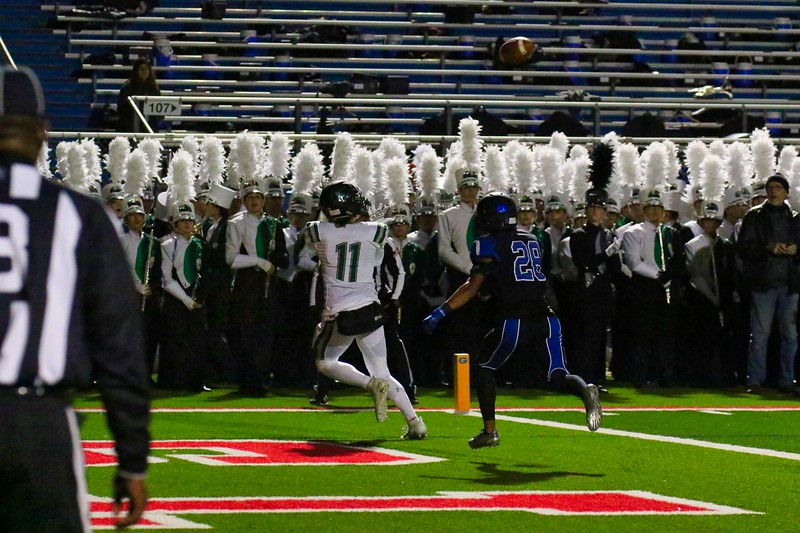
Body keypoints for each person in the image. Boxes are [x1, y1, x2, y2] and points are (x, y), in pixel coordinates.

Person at [0, 66, 149, 530]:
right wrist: (132, 459)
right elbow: (120, 346)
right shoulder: (78, 214)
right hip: (38, 422)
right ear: (43, 131)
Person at [422, 193, 601, 449]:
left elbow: (472, 287)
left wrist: (441, 311)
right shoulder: (531, 239)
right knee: (557, 374)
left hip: (515, 319)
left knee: (484, 367)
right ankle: (585, 390)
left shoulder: (488, 244)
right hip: (548, 317)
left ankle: (489, 431)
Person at [307, 181, 427, 439]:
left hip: (340, 313)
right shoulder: (378, 230)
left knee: (325, 363)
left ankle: (369, 385)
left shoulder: (318, 230)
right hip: (370, 310)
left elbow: (316, 241)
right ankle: (415, 422)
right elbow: (375, 259)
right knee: (382, 370)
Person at [738, 173, 800, 394]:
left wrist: (796, 249)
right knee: (760, 334)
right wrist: (768, 248)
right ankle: (754, 380)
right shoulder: (754, 216)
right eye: (770, 187)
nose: (773, 191)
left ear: (786, 192)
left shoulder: (795, 217)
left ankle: (787, 380)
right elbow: (743, 248)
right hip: (764, 283)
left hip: (790, 284)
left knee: (790, 335)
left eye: (778, 187)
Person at [117, 57, 161, 133]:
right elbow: (121, 110)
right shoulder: (127, 88)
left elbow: (159, 114)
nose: (144, 71)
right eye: (141, 68)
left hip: (149, 129)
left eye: (146, 68)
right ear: (136, 71)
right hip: (130, 128)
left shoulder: (154, 89)